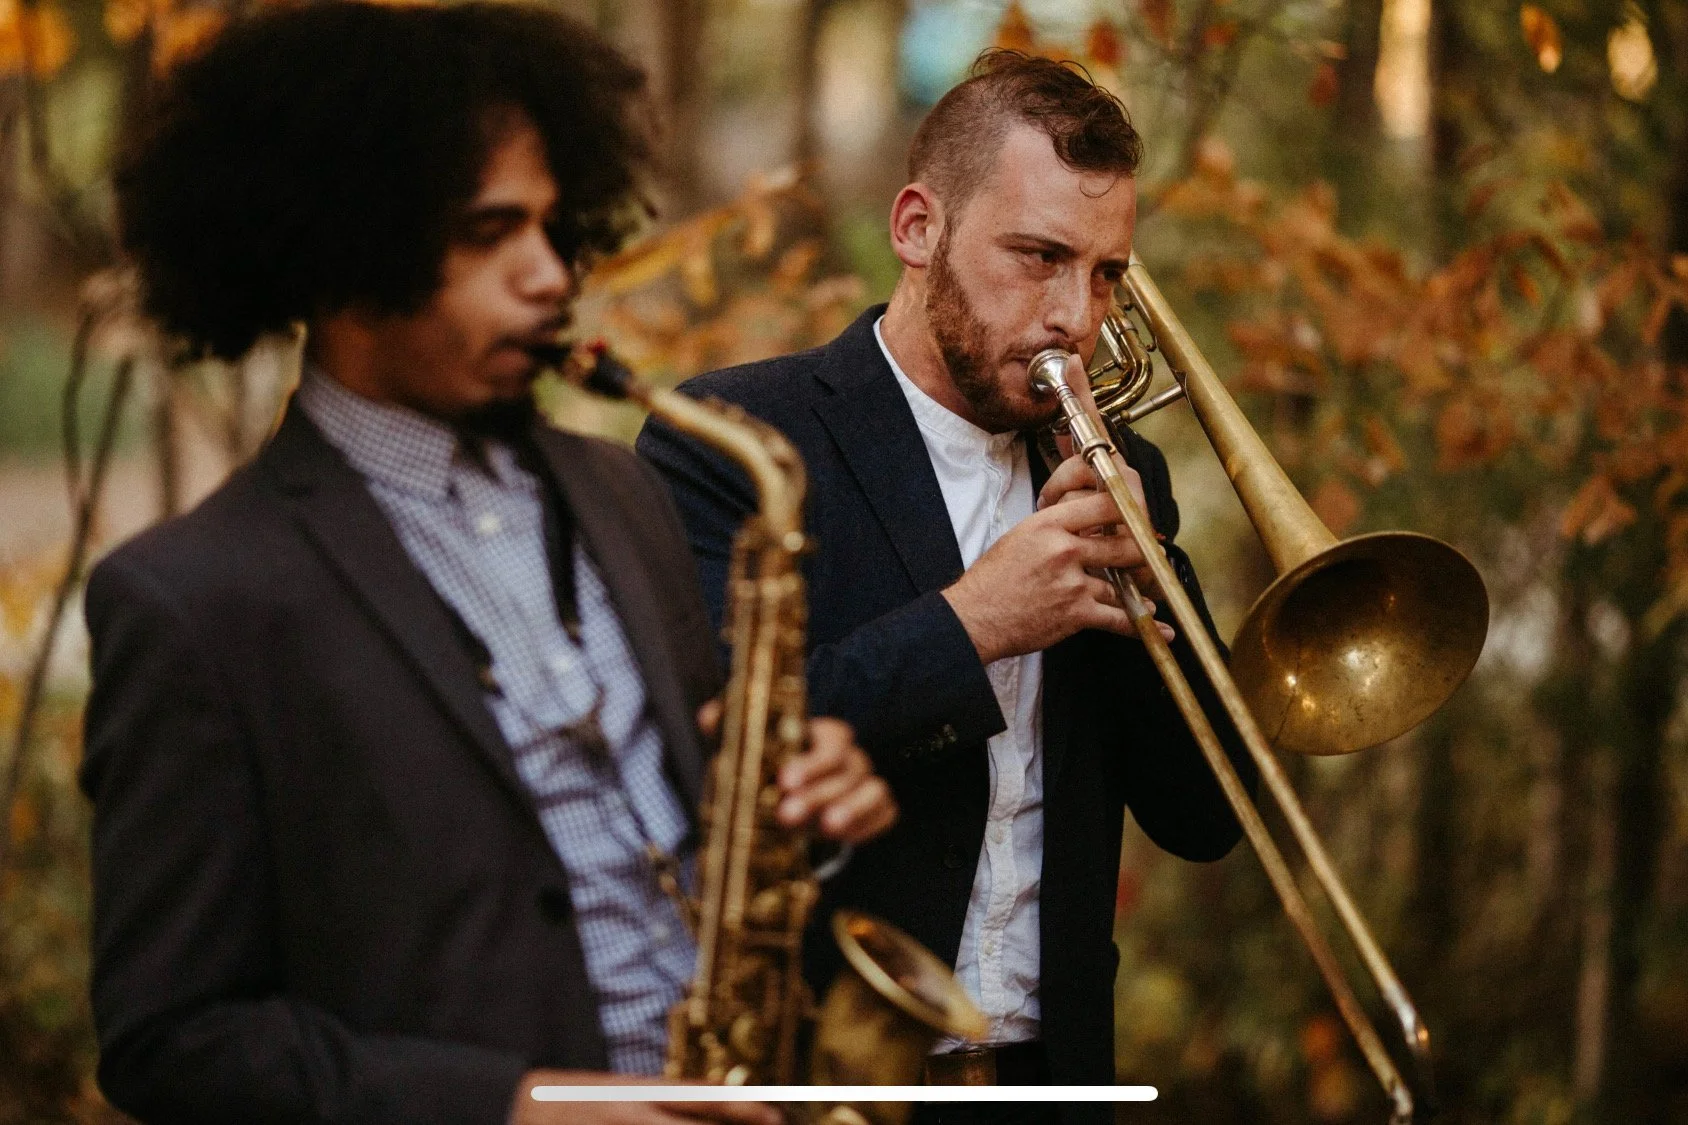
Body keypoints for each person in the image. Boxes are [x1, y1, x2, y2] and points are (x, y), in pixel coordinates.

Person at [79, 5, 897, 1124]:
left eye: (555, 229)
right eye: (486, 232)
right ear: (337, 254)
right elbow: (173, 1044)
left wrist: (793, 804)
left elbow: (692, 833)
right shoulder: (192, 601)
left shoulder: (621, 491)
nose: (551, 276)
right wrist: (518, 1105)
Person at [638, 52, 1258, 1120]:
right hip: (809, 1078)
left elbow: (1202, 815)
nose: (1076, 314)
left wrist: (1152, 570)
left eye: (1107, 272)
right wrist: (969, 626)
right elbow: (699, 757)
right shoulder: (737, 441)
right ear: (918, 228)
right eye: (1037, 256)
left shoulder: (1114, 470)